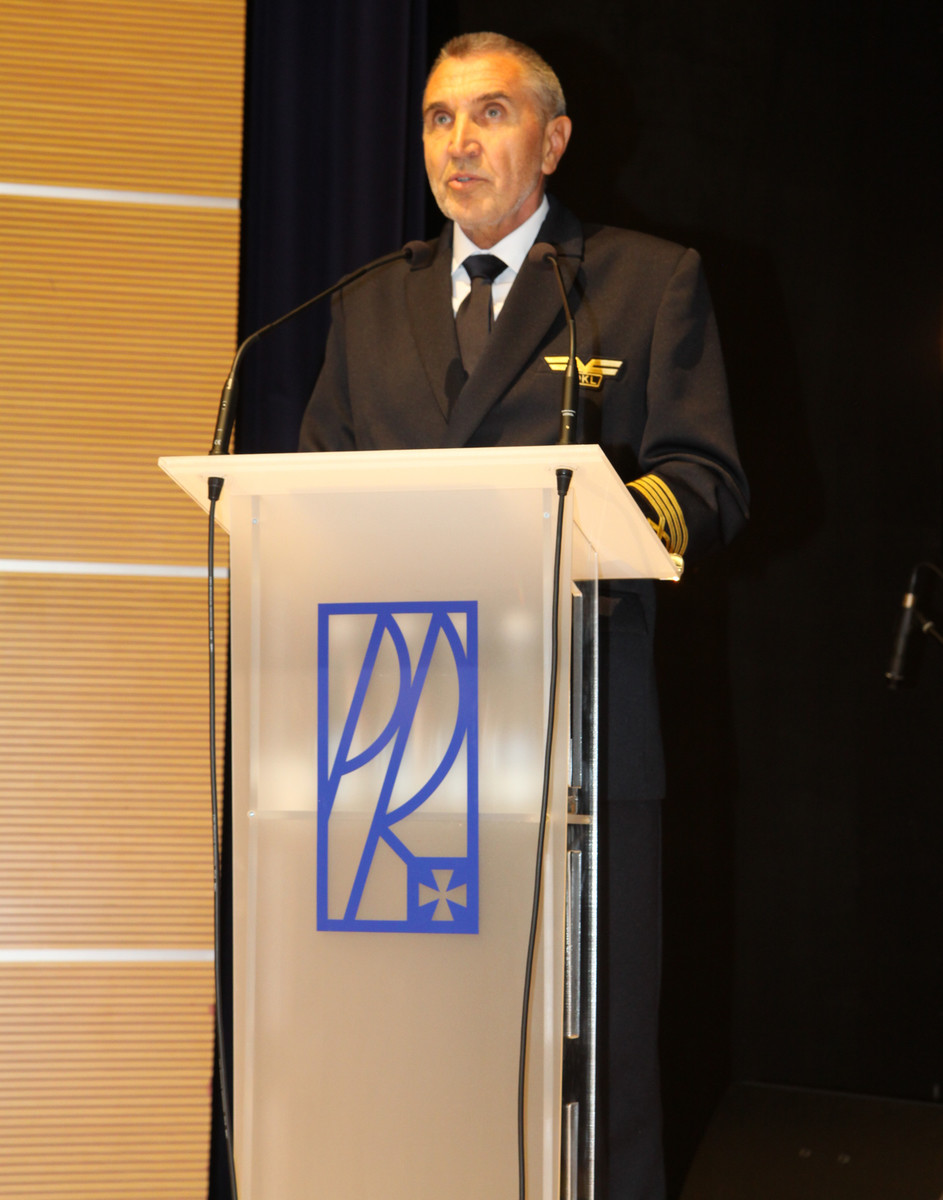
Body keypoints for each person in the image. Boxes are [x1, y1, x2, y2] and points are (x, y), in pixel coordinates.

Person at [299, 31, 748, 1199]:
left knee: (592, 1059)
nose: (458, 142)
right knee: (417, 1043)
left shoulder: (641, 282)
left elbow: (708, 479)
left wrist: (598, 521)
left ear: (552, 142)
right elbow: (310, 495)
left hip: (579, 729)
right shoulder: (364, 304)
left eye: (489, 114)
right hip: (399, 741)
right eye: (438, 118)